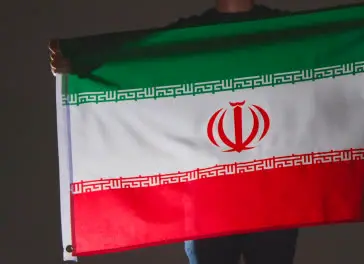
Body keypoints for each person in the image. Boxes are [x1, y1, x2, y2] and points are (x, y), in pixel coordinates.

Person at [49, 1, 299, 264]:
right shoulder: (187, 35)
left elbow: (335, 45)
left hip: (271, 198)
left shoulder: (287, 30)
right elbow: (132, 63)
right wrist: (77, 64)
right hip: (206, 200)